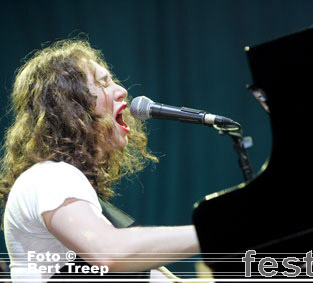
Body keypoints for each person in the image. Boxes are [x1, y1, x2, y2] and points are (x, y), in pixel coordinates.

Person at [0, 39, 200, 281]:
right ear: (70, 106)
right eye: (103, 82)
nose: (122, 90)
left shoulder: (69, 189)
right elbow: (109, 252)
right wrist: (218, 232)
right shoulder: (47, 176)